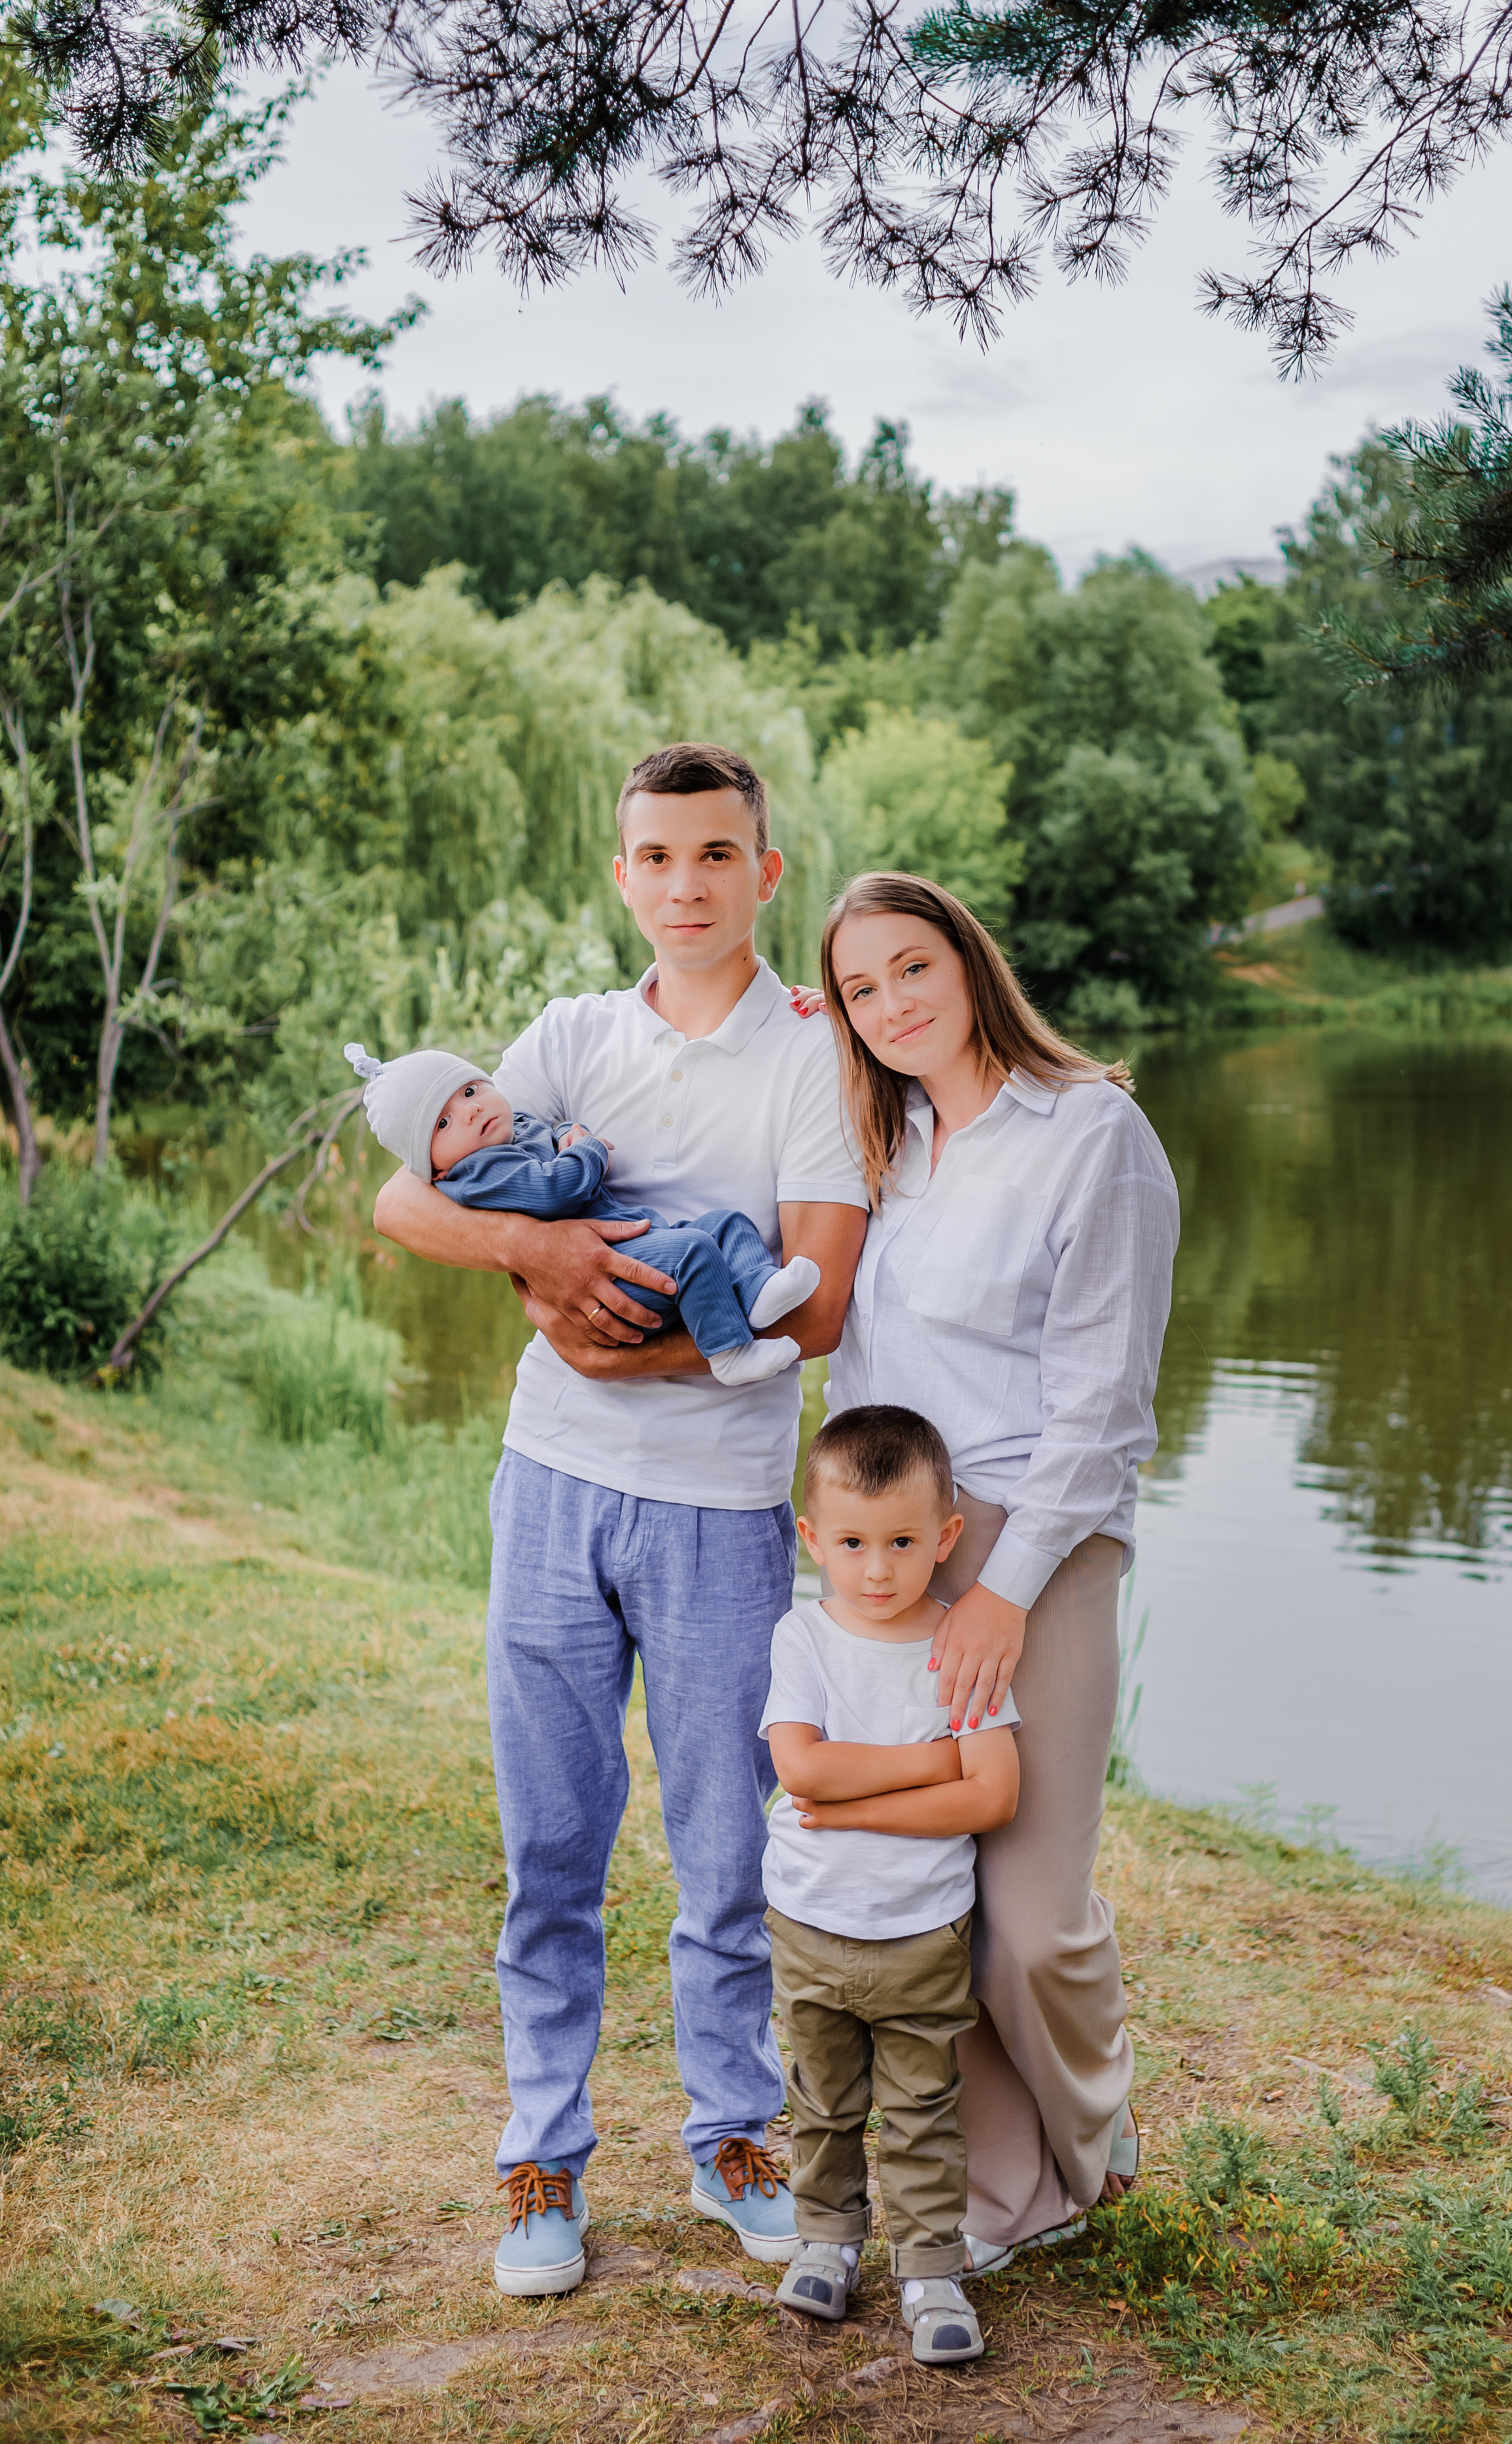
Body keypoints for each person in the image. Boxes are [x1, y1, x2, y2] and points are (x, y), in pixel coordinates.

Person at [371, 742, 870, 2297]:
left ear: (765, 874)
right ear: (622, 875)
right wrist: (556, 1267)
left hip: (721, 1510)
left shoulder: (810, 1050)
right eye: (656, 857)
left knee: (726, 1848)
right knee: (553, 1847)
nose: (685, 885)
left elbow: (825, 1298)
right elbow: (405, 1199)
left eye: (715, 856)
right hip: (555, 1489)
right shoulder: (574, 1035)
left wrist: (616, 1330)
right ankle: (541, 2160)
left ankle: (732, 2132)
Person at [818, 871, 1178, 2274]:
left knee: (1025, 1924)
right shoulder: (881, 1137)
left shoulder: (1094, 1132)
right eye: (860, 988)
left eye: (913, 966)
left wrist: (1004, 1585)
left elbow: (1105, 1411)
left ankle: (1098, 2125)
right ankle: (1005, 2190)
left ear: (970, 961)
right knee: (925, 1903)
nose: (893, 1003)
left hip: (1042, 1548)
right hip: (895, 1557)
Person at [763, 1403, 1019, 2365]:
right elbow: (803, 1774)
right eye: (855, 1542)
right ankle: (827, 2238)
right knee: (822, 2099)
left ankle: (930, 2270)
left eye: (904, 1542)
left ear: (945, 1537)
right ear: (813, 1539)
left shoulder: (962, 1649)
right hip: (811, 1921)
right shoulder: (804, 1639)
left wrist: (864, 1794)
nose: (878, 1569)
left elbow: (991, 1794)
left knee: (921, 2108)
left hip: (921, 1932)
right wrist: (929, 1762)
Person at [343, 1042, 819, 1385]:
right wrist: (588, 1148)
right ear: (436, 1170)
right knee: (694, 1250)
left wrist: (571, 1131)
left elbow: (554, 1132)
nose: (469, 1112)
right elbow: (557, 1191)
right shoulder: (481, 1170)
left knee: (726, 1224)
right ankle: (729, 1351)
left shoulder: (512, 1129)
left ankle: (757, 1289)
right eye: (443, 1123)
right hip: (613, 1272)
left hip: (634, 1236)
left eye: (470, 1091)